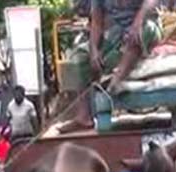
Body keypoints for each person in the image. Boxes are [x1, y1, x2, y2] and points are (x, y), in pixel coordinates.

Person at [57, 0, 163, 132]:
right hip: (117, 31)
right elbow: (97, 22)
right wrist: (94, 50)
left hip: (146, 23)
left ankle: (116, 81)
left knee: (139, 35)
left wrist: (138, 22)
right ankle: (83, 117)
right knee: (79, 56)